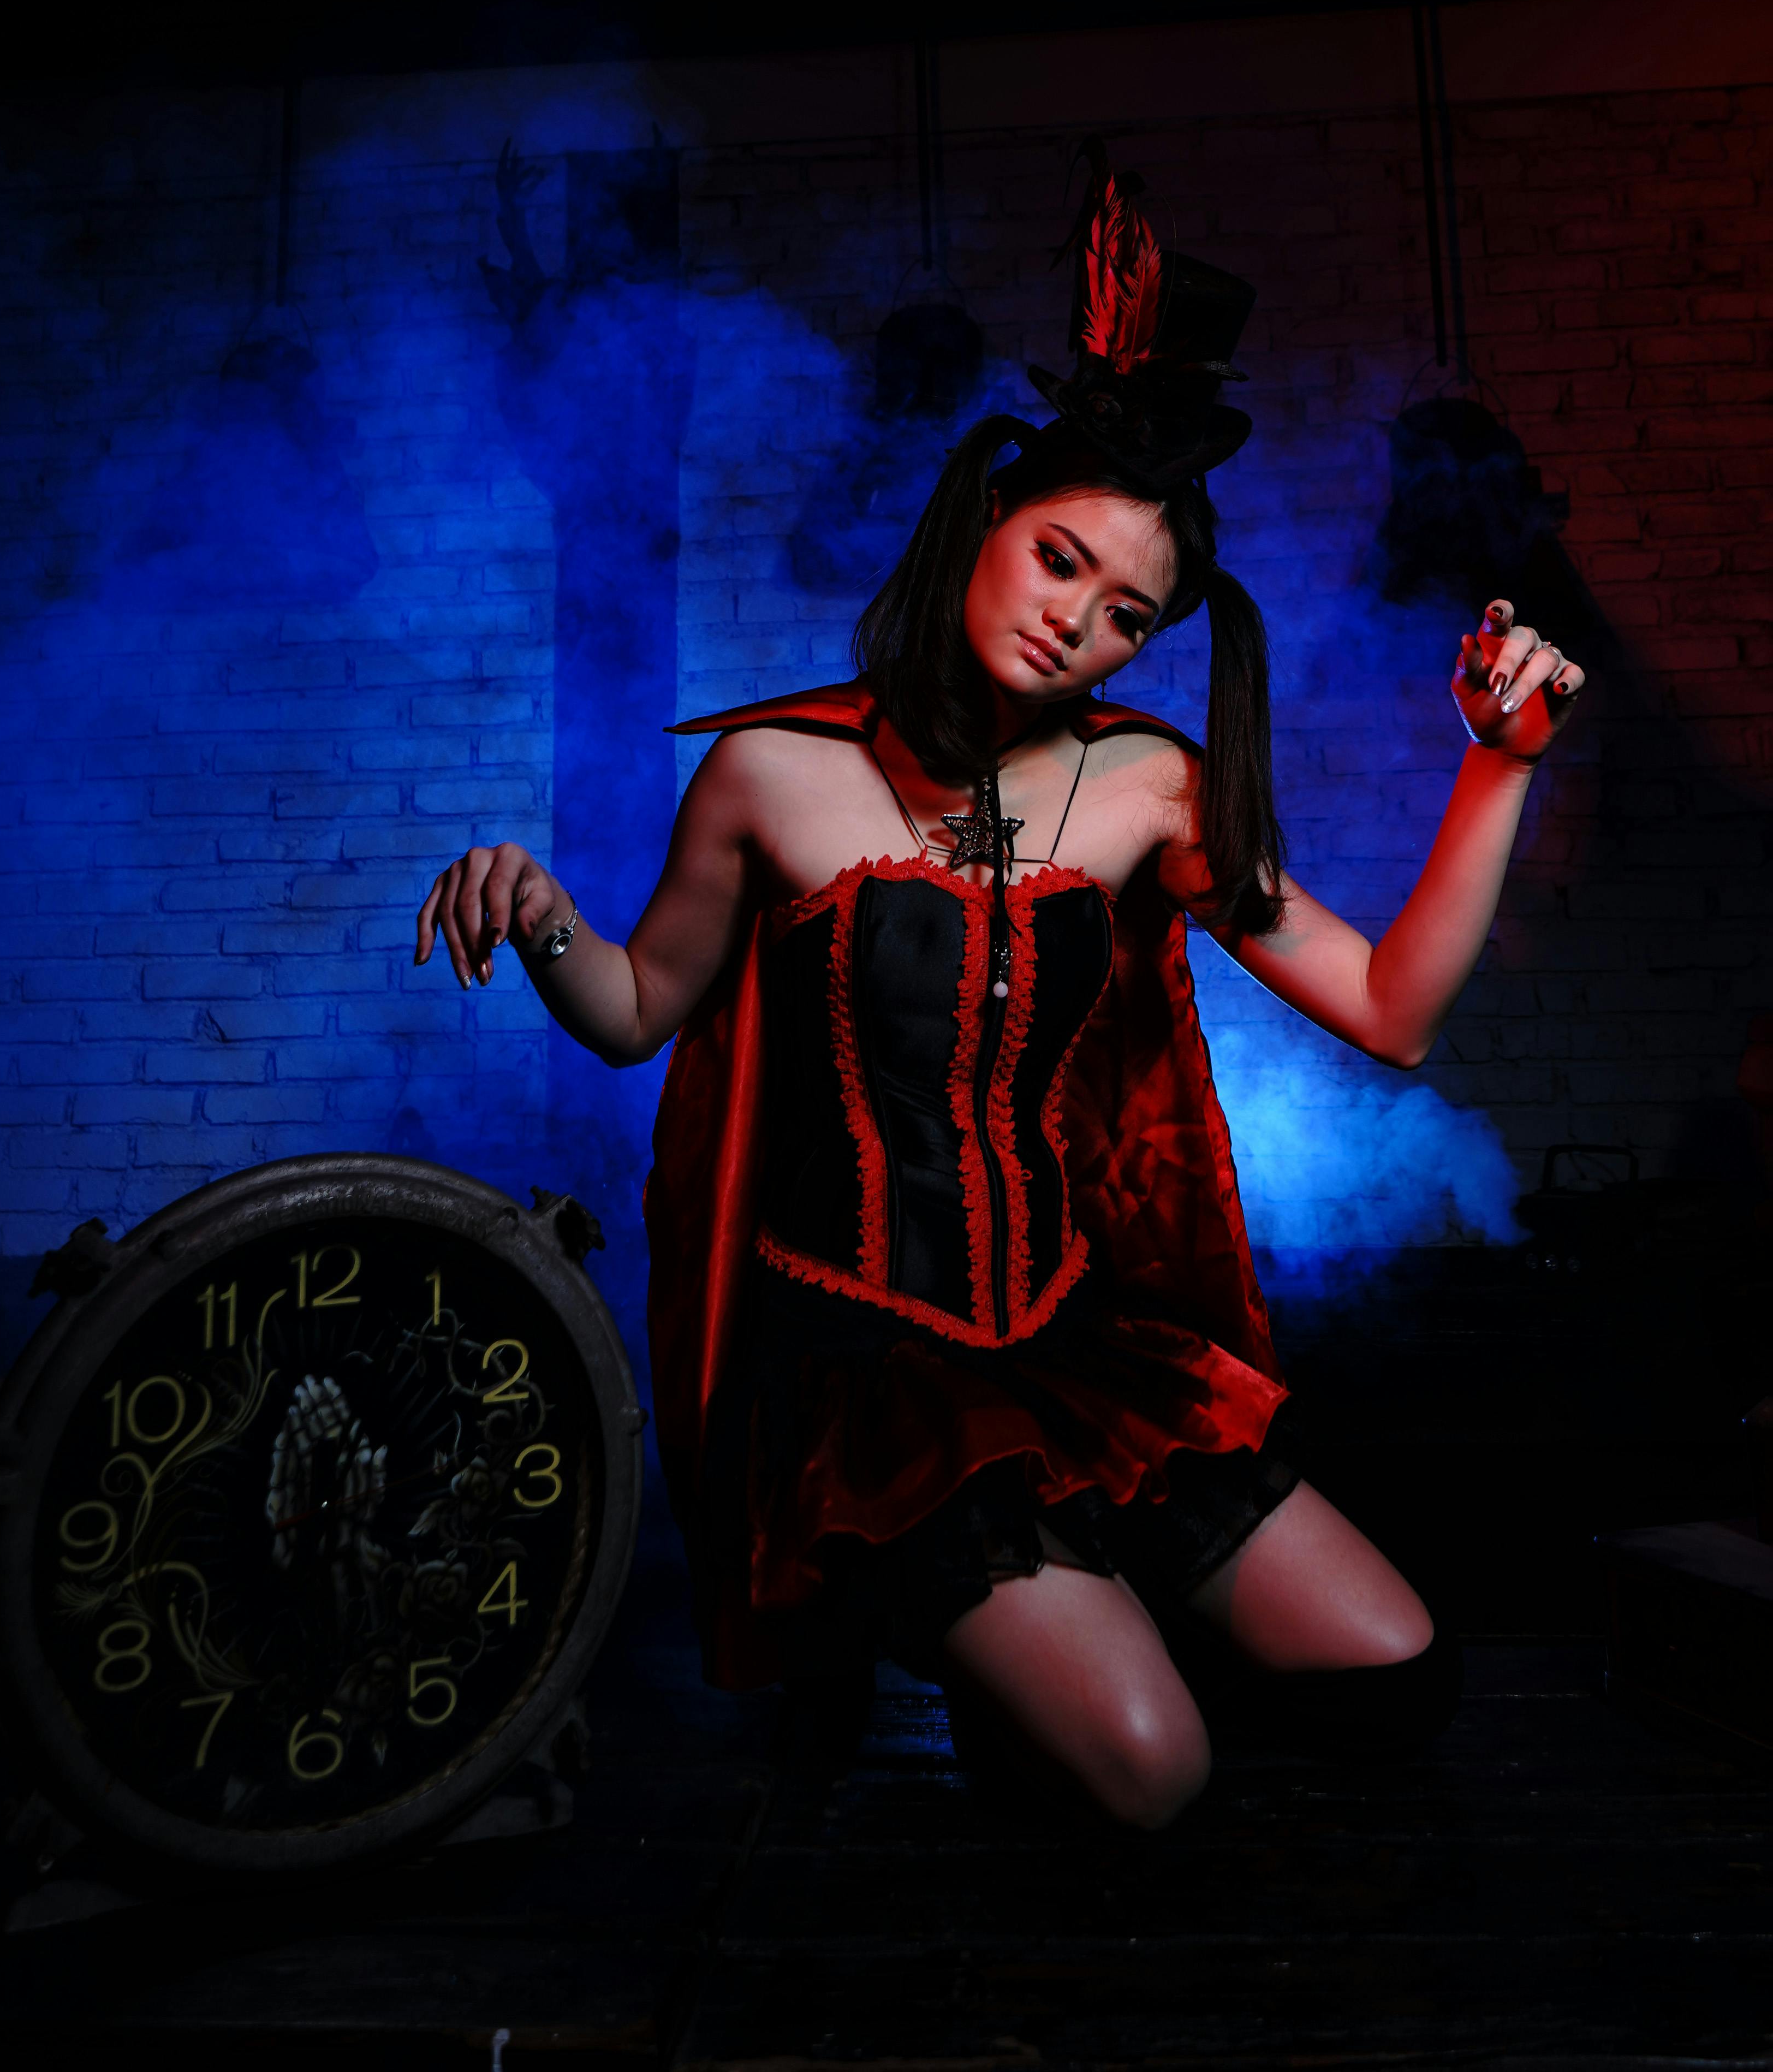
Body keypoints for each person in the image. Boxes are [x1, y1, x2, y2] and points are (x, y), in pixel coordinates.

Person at [416, 149, 1584, 1827]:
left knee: (1398, 1672)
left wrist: (1499, 767)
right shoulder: (767, 774)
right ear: (984, 525)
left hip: (1070, 1337)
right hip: (865, 1366)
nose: (1076, 626)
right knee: (1154, 1772)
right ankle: (979, 1633)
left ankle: (1054, 1641)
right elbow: (632, 1011)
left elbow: (1392, 1011)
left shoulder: (1151, 790)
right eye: (1058, 562)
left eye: (1126, 616)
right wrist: (541, 916)